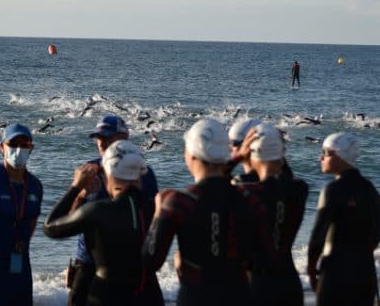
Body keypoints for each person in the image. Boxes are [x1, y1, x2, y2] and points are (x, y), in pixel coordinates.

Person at [143, 118, 256, 306]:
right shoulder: (248, 197)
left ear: (191, 155)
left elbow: (149, 263)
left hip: (195, 297)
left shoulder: (177, 202)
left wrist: (157, 214)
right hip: (240, 296)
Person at [45, 140, 163, 306]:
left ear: (108, 174)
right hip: (148, 296)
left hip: (106, 296)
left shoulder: (96, 211)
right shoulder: (158, 209)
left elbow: (50, 227)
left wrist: (76, 188)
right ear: (141, 172)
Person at [66, 115, 158, 306]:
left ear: (126, 137)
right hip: (88, 263)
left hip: (130, 266)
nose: (102, 142)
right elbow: (69, 219)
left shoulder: (144, 173)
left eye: (108, 137)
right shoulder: (88, 171)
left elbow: (153, 220)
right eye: (99, 138)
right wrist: (80, 194)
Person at [234, 123, 308, 306]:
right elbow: (283, 177)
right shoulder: (298, 188)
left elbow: (214, 190)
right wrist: (274, 148)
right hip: (289, 284)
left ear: (250, 154)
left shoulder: (243, 190)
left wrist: (239, 159)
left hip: (257, 286)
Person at [307, 132, 380, 306]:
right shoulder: (369, 188)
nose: (321, 157)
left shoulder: (332, 190)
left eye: (325, 153)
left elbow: (319, 235)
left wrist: (311, 269)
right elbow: (377, 233)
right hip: (365, 272)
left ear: (339, 155)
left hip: (335, 273)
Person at [0, 123, 43, 306]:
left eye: (25, 144)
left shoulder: (35, 185)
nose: (18, 149)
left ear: (31, 148)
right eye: (13, 144)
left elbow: (32, 224)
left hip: (20, 267)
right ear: (1, 147)